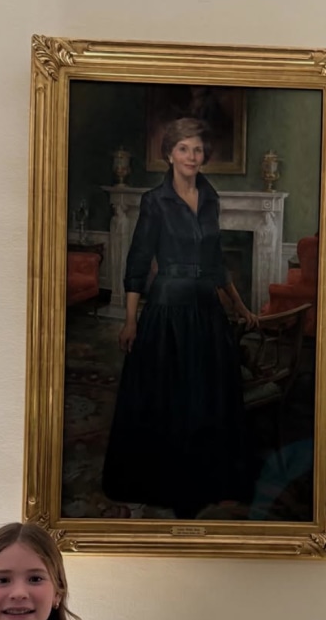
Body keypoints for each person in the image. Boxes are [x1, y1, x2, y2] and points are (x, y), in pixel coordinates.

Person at [102, 117, 258, 519]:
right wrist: (131, 319)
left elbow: (217, 261)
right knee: (169, 399)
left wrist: (238, 306)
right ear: (169, 153)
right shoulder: (155, 201)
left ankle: (214, 482)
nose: (192, 156)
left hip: (206, 309)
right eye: (184, 148)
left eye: (198, 149)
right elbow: (138, 260)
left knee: (208, 399)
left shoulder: (211, 197)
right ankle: (164, 485)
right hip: (167, 309)